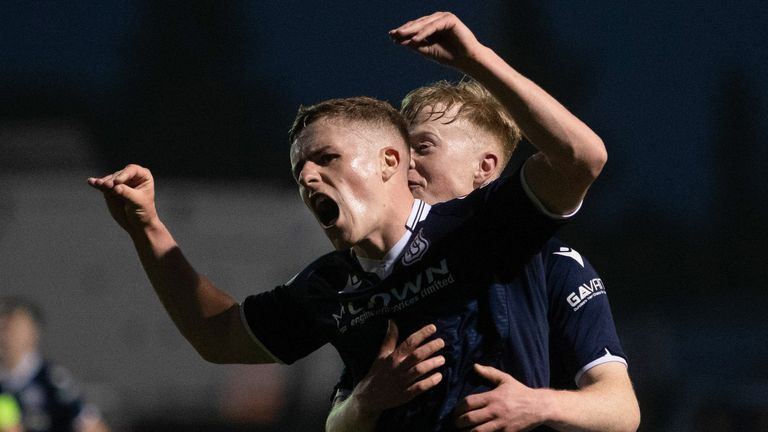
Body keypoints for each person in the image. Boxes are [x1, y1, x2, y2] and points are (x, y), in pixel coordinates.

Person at [87, 11, 607, 430]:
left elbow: (582, 158)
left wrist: (477, 59)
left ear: (390, 162)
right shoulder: (328, 286)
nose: (308, 179)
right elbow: (217, 336)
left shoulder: (483, 226)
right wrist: (147, 227)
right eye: (299, 172)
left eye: (326, 159)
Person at [325, 12, 640, 432]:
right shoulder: (383, 271)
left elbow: (622, 410)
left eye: (423, 146)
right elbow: (337, 420)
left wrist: (536, 404)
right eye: (399, 150)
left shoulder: (552, 263)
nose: (405, 163)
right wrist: (362, 403)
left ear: (484, 167)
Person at [0, 297, 109, 432]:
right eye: (2, 326)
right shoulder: (4, 384)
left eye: (12, 327)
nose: (4, 335)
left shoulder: (50, 379)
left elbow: (93, 425)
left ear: (32, 334)